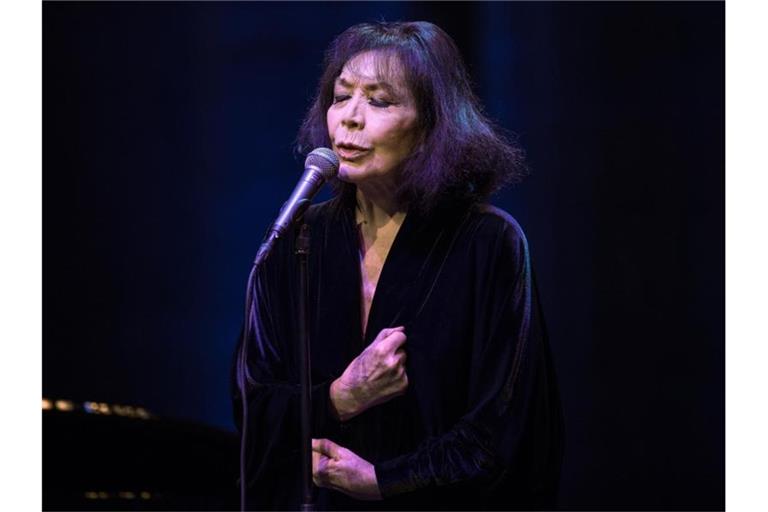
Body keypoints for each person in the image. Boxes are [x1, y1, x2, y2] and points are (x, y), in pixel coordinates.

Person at [233, 21, 564, 511]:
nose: (349, 118)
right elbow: (253, 406)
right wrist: (340, 397)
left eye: (380, 101)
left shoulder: (488, 243)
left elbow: (507, 428)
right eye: (341, 96)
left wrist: (383, 481)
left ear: (431, 125)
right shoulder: (299, 238)